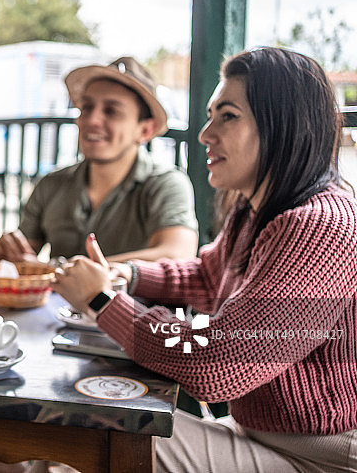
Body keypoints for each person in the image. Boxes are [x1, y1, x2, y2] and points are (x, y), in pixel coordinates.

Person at [53, 47, 357, 472]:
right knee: (83, 428)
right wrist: (131, 275)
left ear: (284, 125)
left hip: (319, 455)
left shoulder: (320, 226)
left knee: (95, 432)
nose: (205, 133)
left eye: (227, 116)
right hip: (259, 431)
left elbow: (217, 364)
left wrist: (103, 302)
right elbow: (207, 277)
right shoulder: (255, 210)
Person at [0, 57, 198, 264]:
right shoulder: (51, 184)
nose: (92, 120)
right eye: (86, 108)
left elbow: (177, 255)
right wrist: (9, 252)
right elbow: (23, 255)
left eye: (112, 111)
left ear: (145, 130)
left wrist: (66, 270)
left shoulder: (165, 184)